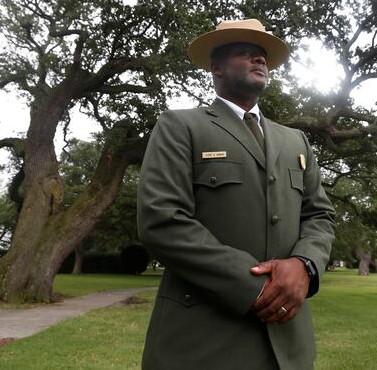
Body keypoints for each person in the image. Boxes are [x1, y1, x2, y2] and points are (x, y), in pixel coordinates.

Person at [137, 18, 336, 369]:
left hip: (289, 347)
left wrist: (303, 266)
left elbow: (319, 215)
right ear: (216, 67)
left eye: (262, 55)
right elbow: (162, 220)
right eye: (245, 52)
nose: (259, 60)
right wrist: (258, 286)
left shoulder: (296, 140)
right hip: (202, 342)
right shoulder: (181, 126)